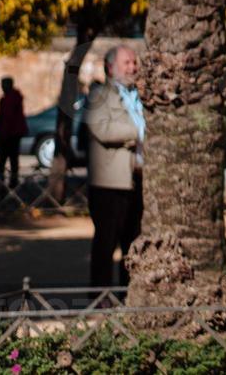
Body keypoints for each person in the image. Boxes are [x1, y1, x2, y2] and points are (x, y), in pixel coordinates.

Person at [86, 46, 145, 288]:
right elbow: (103, 129)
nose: (133, 67)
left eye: (134, 62)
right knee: (106, 243)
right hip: (109, 184)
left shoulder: (141, 95)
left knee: (132, 243)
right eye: (126, 63)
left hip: (137, 180)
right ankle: (99, 296)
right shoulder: (99, 96)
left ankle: (127, 294)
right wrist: (140, 132)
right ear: (111, 68)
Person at [0, 77, 27, 188]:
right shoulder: (7, 98)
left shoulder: (11, 98)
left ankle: (8, 182)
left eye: (4, 84)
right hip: (9, 133)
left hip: (11, 133)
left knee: (8, 159)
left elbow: (8, 117)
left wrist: (3, 131)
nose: (2, 87)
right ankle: (6, 181)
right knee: (8, 159)